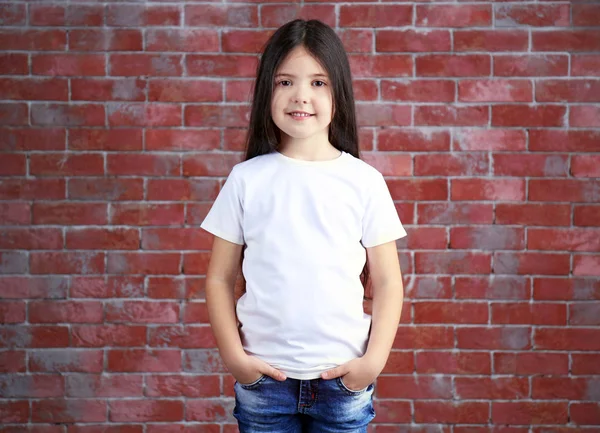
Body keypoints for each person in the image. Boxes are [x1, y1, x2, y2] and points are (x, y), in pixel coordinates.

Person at [200, 19, 407, 433]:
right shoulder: (247, 179)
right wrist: (236, 361)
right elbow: (220, 278)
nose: (300, 96)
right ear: (267, 92)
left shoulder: (364, 181)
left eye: (318, 83)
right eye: (284, 82)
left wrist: (372, 363)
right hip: (265, 382)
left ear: (339, 94)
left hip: (342, 381)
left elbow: (387, 281)